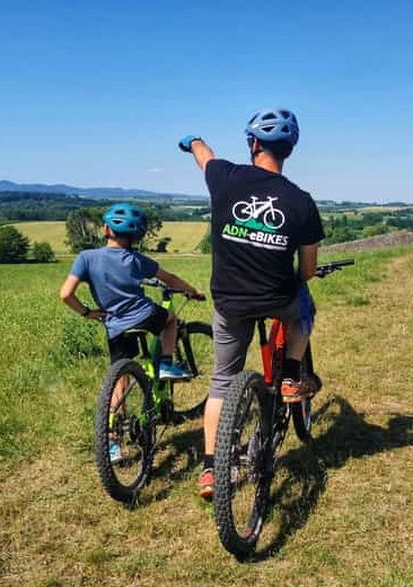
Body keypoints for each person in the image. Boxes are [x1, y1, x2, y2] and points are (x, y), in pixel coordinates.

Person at [178, 108, 325, 499]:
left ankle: (211, 470)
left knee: (222, 382)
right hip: (278, 298)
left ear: (254, 143)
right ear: (289, 150)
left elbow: (204, 155)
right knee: (305, 308)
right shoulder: (301, 201)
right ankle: (291, 374)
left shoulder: (225, 176)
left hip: (229, 303)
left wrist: (192, 141)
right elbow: (307, 270)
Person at [59, 202, 204, 462]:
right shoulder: (137, 260)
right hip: (144, 315)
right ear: (136, 236)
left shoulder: (86, 258)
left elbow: (66, 294)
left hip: (115, 326)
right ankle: (166, 364)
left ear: (106, 230)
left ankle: (113, 442)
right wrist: (192, 291)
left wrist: (87, 312)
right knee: (171, 320)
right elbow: (170, 278)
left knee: (120, 380)